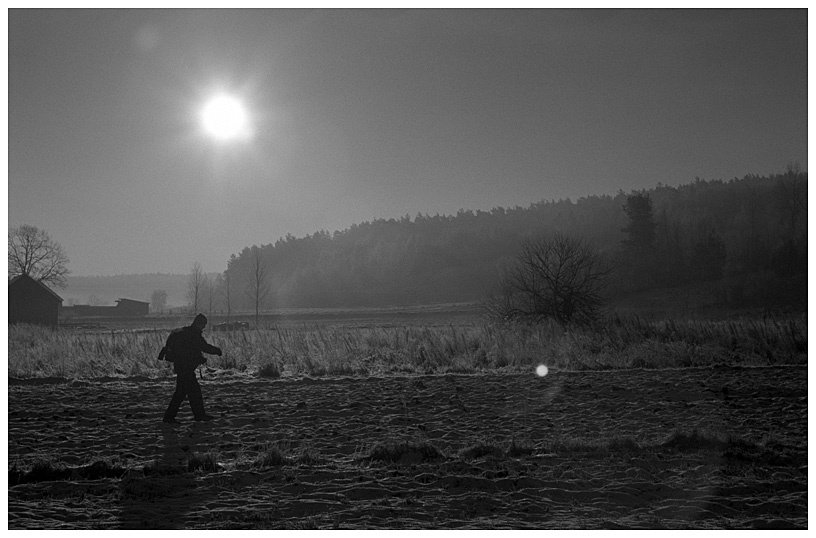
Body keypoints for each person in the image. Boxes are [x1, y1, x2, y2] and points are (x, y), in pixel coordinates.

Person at [159, 313, 222, 423]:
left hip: (181, 366)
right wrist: (217, 351)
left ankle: (174, 416)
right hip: (186, 368)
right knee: (192, 392)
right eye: (203, 324)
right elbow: (204, 347)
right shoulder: (193, 334)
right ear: (199, 323)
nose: (204, 327)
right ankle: (195, 416)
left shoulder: (183, 332)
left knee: (183, 392)